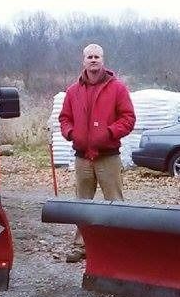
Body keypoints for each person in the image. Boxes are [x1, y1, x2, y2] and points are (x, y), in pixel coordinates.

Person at [58, 43, 136, 262]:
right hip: (82, 157)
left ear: (103, 60)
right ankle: (80, 246)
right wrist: (71, 133)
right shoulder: (73, 91)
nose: (93, 60)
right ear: (83, 60)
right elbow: (64, 118)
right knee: (82, 203)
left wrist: (109, 133)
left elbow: (128, 119)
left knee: (115, 202)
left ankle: (118, 246)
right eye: (89, 57)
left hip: (108, 156)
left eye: (97, 57)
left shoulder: (117, 88)